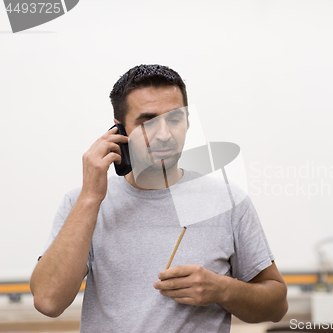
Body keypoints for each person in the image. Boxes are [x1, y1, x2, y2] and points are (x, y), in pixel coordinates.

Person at [30, 64, 288, 332]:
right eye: (147, 121)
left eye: (174, 119)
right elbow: (48, 302)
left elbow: (277, 306)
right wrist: (90, 198)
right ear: (119, 131)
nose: (164, 134)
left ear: (188, 123)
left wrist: (223, 290)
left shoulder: (229, 201)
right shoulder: (82, 202)